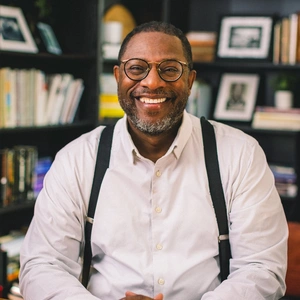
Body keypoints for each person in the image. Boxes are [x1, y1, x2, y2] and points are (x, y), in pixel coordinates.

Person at [19, 21, 288, 300]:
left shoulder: (240, 154)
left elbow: (262, 269)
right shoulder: (76, 159)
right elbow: (42, 265)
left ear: (190, 81)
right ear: (118, 76)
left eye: (169, 69)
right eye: (137, 68)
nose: (152, 82)